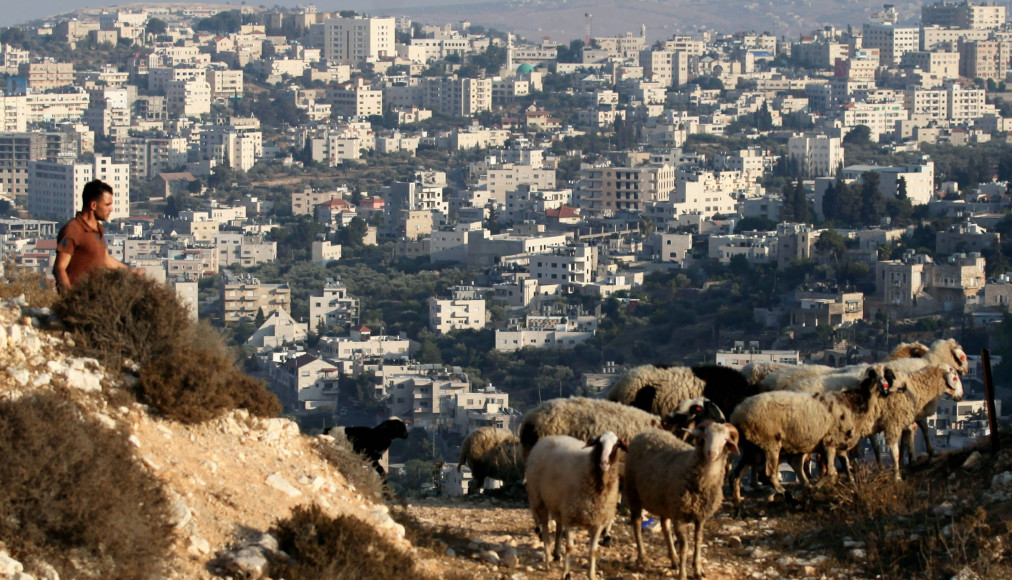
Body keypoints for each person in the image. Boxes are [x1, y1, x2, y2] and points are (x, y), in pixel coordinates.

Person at [53, 179, 128, 291]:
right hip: (79, 300)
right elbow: (59, 267)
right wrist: (69, 297)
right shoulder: (73, 229)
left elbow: (106, 259)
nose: (111, 209)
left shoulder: (98, 229)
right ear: (93, 205)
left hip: (95, 300)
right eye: (107, 204)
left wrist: (132, 272)